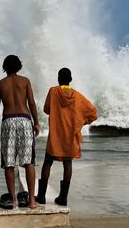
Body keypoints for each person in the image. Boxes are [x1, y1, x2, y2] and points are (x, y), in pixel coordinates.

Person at [35, 68, 98, 206]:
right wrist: (80, 122)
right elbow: (93, 113)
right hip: (70, 135)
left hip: (56, 135)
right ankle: (63, 198)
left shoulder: (53, 91)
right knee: (67, 163)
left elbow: (46, 109)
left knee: (47, 162)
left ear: (58, 78)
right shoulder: (77, 96)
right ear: (70, 80)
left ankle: (41, 196)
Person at [0, 55, 40, 209]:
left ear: (4, 67)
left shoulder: (0, 84)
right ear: (19, 66)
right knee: (29, 162)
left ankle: (14, 201)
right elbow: (32, 103)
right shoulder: (25, 81)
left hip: (8, 120)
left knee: (8, 163)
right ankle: (32, 201)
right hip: (24, 119)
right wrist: (37, 122)